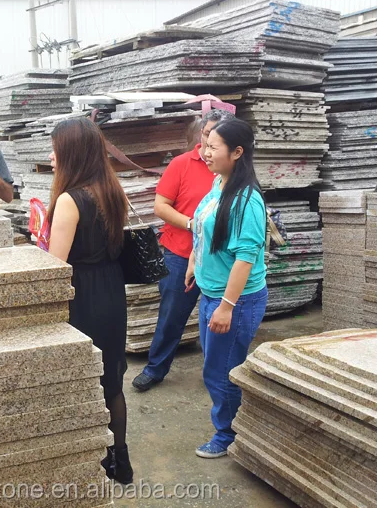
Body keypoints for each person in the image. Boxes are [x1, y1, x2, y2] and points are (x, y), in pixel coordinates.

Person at [46, 118, 134, 484]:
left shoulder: (70, 199)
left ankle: (88, 456)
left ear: (72, 153)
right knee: (111, 379)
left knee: (82, 376)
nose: (51, 157)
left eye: (55, 150)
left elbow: (56, 264)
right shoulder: (111, 190)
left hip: (81, 293)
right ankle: (120, 460)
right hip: (111, 289)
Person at [132, 109, 235, 392]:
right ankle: (155, 369)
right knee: (171, 316)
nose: (209, 144)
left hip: (220, 258)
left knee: (220, 317)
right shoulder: (181, 164)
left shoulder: (232, 168)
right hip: (180, 254)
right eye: (207, 135)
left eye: (217, 138)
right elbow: (160, 206)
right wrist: (194, 224)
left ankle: (220, 372)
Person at [185, 118, 268, 459]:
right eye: (205, 145)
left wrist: (227, 306)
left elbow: (246, 258)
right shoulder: (219, 183)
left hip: (235, 301)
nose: (206, 153)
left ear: (237, 152)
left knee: (222, 372)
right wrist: (194, 261)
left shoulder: (247, 201)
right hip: (212, 294)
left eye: (213, 147)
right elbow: (204, 227)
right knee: (216, 367)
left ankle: (229, 434)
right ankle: (233, 424)